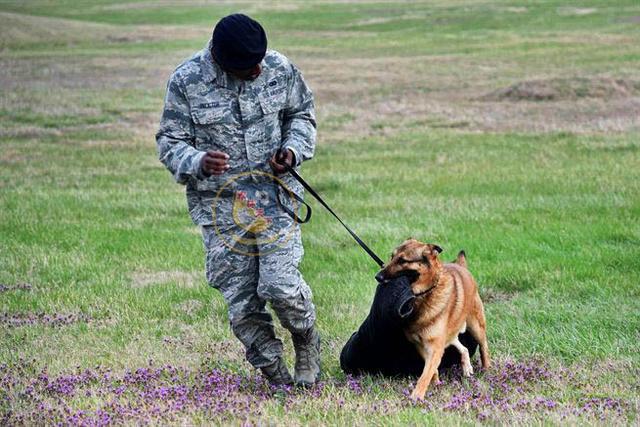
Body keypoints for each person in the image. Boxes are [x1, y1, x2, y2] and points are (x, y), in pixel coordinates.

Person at [156, 13, 320, 387]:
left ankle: (307, 342)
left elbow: (302, 115)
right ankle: (275, 373)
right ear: (222, 60)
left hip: (275, 198)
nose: (258, 70)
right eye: (249, 66)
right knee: (243, 305)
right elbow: (170, 142)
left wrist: (292, 150)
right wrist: (196, 161)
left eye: (260, 60)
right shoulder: (187, 82)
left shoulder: (279, 69)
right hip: (222, 208)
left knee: (280, 285)